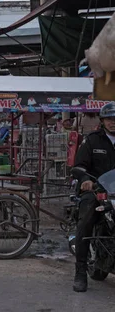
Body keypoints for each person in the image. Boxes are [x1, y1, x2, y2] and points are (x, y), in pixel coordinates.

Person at [71, 103, 115, 292]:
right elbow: (79, 166)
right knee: (86, 221)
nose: (113, 122)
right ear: (103, 121)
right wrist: (85, 179)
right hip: (96, 190)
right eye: (109, 119)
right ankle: (80, 271)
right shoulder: (92, 141)